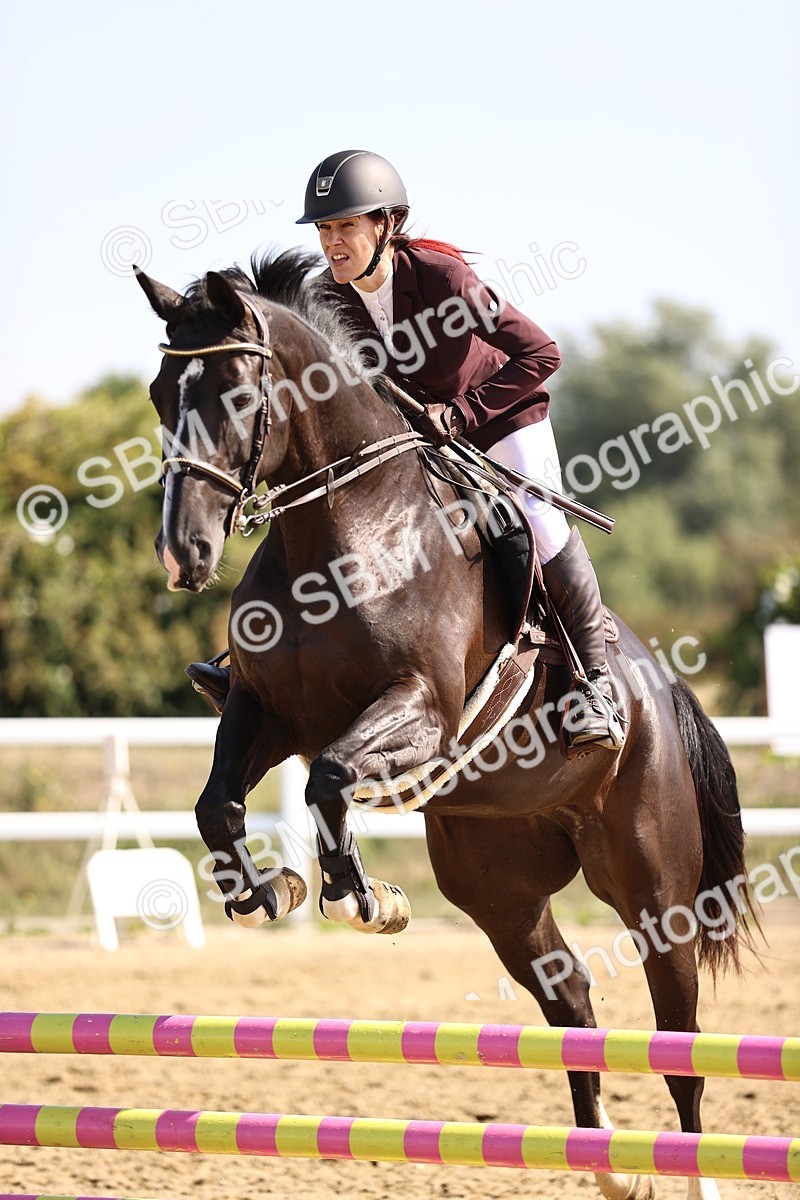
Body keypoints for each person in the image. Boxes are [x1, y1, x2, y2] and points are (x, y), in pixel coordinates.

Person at [187, 150, 624, 754]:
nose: (331, 243)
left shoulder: (446, 280)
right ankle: (254, 663)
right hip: (423, 432)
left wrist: (467, 413)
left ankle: (594, 680)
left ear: (386, 226)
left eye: (345, 227)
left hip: (501, 415)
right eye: (323, 230)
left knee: (542, 521)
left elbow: (542, 353)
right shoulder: (330, 297)